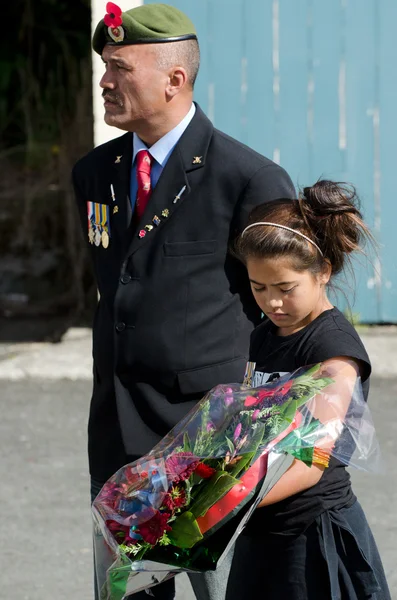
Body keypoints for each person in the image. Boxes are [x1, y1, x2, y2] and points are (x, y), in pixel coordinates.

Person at [72, 3, 295, 598]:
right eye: (104, 66)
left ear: (175, 79)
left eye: (119, 67)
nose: (104, 81)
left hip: (203, 434)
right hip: (115, 430)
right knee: (125, 590)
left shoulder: (248, 180)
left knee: (220, 589)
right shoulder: (95, 173)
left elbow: (285, 311)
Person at [190, 180, 391, 600]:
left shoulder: (334, 350)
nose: (272, 303)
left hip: (311, 535)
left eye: (285, 289)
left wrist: (222, 504)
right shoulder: (265, 334)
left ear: (323, 272)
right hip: (260, 531)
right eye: (258, 288)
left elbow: (311, 460)